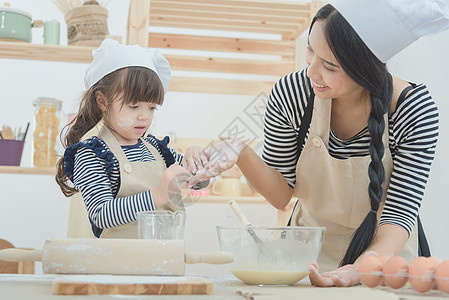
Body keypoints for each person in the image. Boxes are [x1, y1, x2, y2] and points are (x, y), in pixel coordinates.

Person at [200, 0, 449, 287]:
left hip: (382, 264)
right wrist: (241, 151)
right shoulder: (292, 93)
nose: (311, 72)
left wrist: (357, 270)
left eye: (329, 66)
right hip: (306, 258)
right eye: (311, 50)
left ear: (364, 70)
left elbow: (399, 215)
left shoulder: (412, 109)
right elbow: (281, 194)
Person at [55, 39, 208, 239]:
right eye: (134, 106)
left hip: (166, 261)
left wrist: (198, 162)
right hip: (118, 265)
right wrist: (158, 195)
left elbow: (197, 183)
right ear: (103, 101)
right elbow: (102, 214)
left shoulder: (157, 149)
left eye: (152, 107)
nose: (144, 116)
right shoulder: (91, 153)